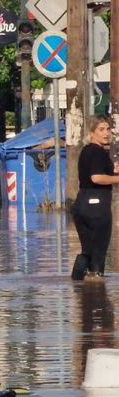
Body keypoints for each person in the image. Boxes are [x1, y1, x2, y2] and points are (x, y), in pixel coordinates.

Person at [70, 114, 119, 281]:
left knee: (88, 250)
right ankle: (97, 292)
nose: (106, 133)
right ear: (91, 133)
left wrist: (112, 171)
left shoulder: (86, 150)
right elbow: (96, 178)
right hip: (97, 206)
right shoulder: (98, 151)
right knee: (98, 252)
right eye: (101, 130)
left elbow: (91, 173)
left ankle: (77, 284)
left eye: (107, 129)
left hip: (81, 204)